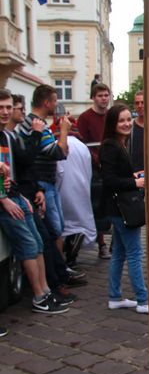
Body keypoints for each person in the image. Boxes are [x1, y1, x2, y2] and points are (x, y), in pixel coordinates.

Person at [0, 90, 69, 314]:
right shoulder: (19, 132)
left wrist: (22, 195)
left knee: (39, 242)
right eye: (2, 108)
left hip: (17, 195)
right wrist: (4, 199)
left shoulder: (7, 136)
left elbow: (21, 168)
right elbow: (51, 153)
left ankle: (46, 291)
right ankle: (39, 296)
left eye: (9, 107)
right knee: (30, 245)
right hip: (6, 202)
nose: (6, 112)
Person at [99, 103, 148, 314]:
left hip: (118, 208)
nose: (127, 123)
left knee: (119, 253)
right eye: (122, 120)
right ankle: (143, 300)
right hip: (121, 209)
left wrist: (133, 176)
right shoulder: (111, 146)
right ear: (113, 123)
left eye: (129, 119)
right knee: (135, 254)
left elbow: (116, 176)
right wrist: (135, 182)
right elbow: (109, 180)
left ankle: (115, 297)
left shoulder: (118, 143)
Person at [18, 84, 71, 241]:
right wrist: (64, 131)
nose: (56, 104)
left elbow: (62, 152)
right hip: (42, 182)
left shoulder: (40, 123)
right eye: (54, 101)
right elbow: (58, 153)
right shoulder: (35, 123)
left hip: (48, 181)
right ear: (46, 103)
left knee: (59, 226)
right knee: (55, 228)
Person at [55, 118, 96, 264]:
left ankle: (66, 257)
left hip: (63, 188)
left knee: (65, 226)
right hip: (81, 187)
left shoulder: (58, 145)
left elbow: (58, 171)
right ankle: (72, 256)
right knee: (79, 222)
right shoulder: (83, 147)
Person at [78, 82, 111, 258]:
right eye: (100, 96)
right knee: (97, 206)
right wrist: (96, 159)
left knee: (115, 204)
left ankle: (116, 242)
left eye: (106, 95)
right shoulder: (85, 118)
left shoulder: (111, 115)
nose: (104, 99)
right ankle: (101, 244)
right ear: (93, 98)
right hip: (94, 170)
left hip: (111, 165)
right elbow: (81, 144)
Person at [128, 89, 144, 173]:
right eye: (137, 103)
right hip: (134, 173)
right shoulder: (129, 126)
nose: (140, 106)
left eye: (143, 102)